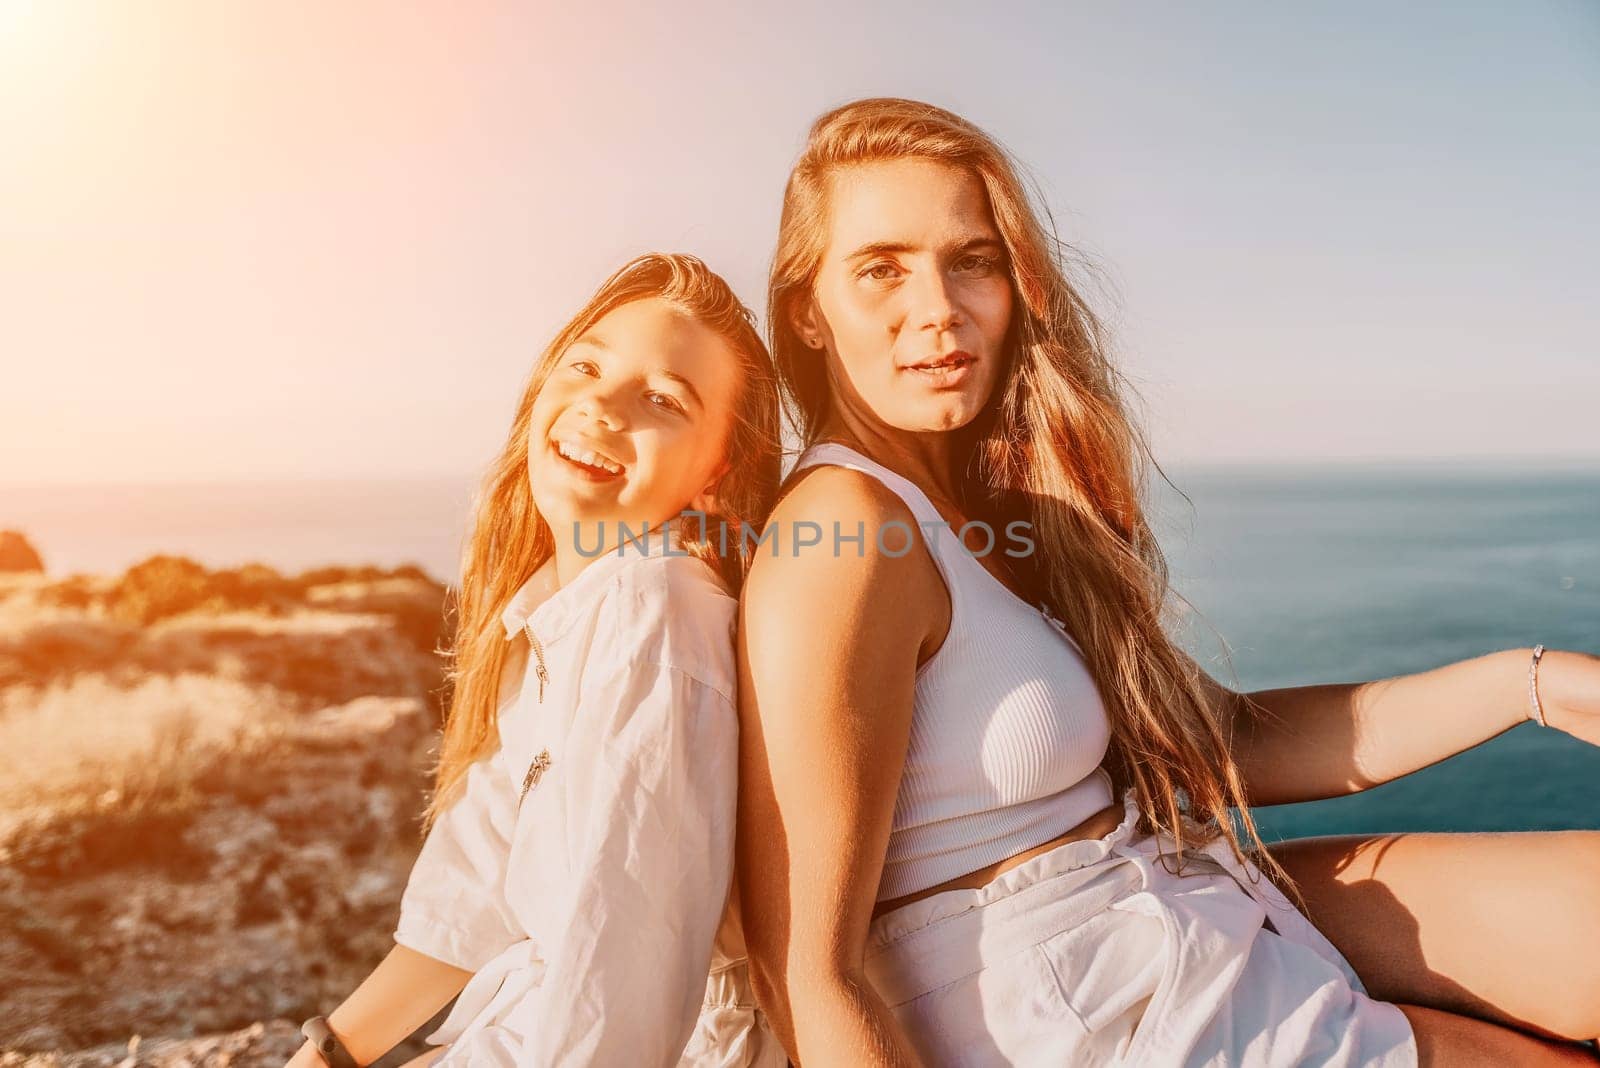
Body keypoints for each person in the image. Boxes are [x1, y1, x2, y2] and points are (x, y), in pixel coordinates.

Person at [734, 98, 1600, 1066]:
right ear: (807, 309)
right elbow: (805, 971)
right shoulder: (843, 528)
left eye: (971, 260)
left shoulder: (988, 512)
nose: (937, 305)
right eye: (880, 268)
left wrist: (1532, 682)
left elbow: (1216, 741)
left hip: (1177, 913)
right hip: (1095, 1012)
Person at [286, 253, 788, 1067]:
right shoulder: (548, 616)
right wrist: (328, 1054)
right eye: (586, 365)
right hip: (534, 1027)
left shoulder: (654, 608)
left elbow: (623, 967)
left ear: (717, 476)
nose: (601, 403)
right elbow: (469, 895)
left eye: (662, 400)